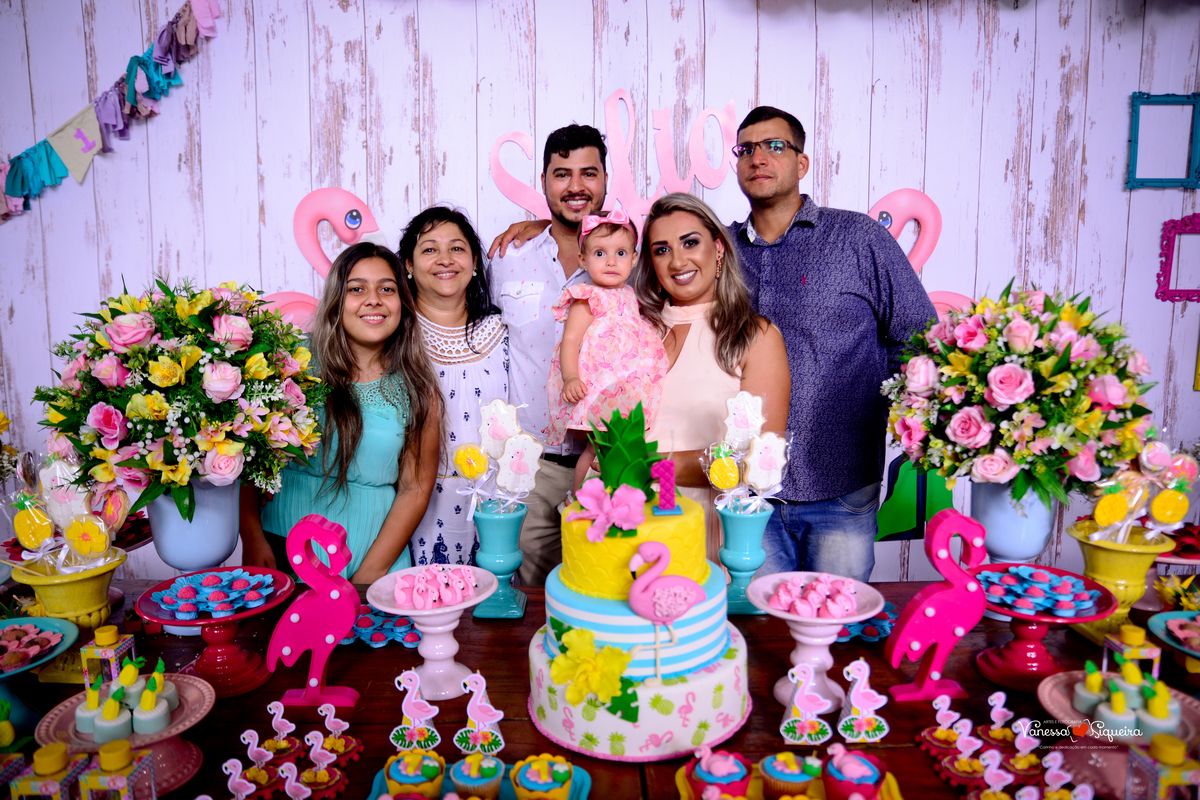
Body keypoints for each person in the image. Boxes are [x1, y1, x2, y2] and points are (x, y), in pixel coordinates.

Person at [730, 106, 936, 582]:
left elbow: (918, 338)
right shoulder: (719, 250)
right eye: (746, 149)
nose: (758, 157)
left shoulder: (858, 238)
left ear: (801, 163)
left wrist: (884, 411)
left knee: (837, 618)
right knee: (758, 621)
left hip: (840, 484)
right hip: (744, 492)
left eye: (775, 146)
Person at [239, 242, 443, 584]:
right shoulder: (292, 361)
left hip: (372, 557)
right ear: (336, 300)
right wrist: (251, 535)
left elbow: (415, 488)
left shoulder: (418, 388)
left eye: (387, 289)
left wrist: (370, 574)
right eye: (357, 289)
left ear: (403, 304)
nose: (374, 299)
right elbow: (248, 451)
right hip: (281, 548)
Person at [633, 192, 790, 560]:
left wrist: (645, 465)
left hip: (703, 523)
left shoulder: (754, 336)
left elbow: (758, 460)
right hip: (622, 518)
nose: (677, 260)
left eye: (690, 242)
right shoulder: (632, 333)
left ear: (718, 248)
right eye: (661, 250)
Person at [489, 123, 608, 586]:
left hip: (603, 462)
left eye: (588, 173)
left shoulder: (629, 259)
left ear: (605, 179)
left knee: (601, 590)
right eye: (562, 174)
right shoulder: (507, 256)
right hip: (529, 466)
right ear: (543, 181)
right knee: (524, 595)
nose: (576, 186)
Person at [398, 206, 508, 566]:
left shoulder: (502, 331)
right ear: (409, 265)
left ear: (474, 262)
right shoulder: (395, 336)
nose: (445, 259)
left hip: (498, 502)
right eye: (430, 249)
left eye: (457, 248)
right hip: (420, 503)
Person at [547, 209, 668, 491]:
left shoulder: (630, 294)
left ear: (634, 259)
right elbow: (571, 340)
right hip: (600, 388)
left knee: (621, 446)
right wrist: (570, 377)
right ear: (583, 260)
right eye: (600, 253)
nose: (611, 262)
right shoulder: (587, 297)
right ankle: (578, 498)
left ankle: (615, 496)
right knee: (597, 447)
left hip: (625, 388)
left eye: (620, 253)